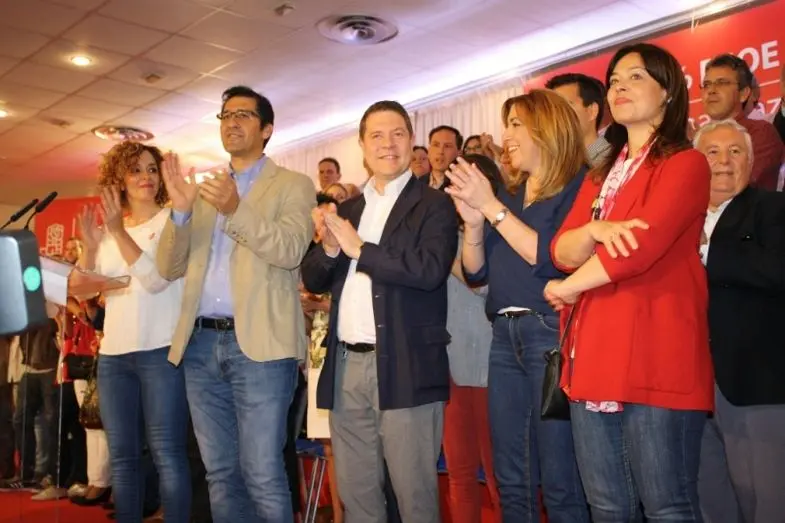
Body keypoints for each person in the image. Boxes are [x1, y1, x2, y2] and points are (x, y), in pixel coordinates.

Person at [546, 43, 714, 521]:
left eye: (635, 77)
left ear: (668, 91)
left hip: (655, 352)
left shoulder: (685, 163)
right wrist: (595, 231)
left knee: (667, 507)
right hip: (594, 357)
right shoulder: (601, 174)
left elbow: (639, 247)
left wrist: (571, 286)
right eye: (614, 80)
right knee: (606, 507)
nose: (619, 87)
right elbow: (561, 250)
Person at [156, 85, 315, 523]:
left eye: (243, 114)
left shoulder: (294, 185)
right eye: (226, 115)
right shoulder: (203, 192)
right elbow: (169, 267)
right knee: (221, 474)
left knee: (262, 472)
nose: (232, 122)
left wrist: (235, 208)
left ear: (267, 129)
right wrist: (180, 213)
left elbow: (289, 250)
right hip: (200, 345)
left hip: (261, 348)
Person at [301, 100, 458, 523]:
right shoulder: (349, 209)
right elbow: (313, 278)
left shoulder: (434, 204)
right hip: (346, 366)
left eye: (397, 134)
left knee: (414, 497)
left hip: (406, 363)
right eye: (377, 136)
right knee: (357, 495)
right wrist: (330, 247)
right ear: (362, 146)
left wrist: (361, 250)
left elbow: (429, 270)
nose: (388, 144)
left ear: (411, 140)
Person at [446, 90, 589, 523]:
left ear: (546, 129)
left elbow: (550, 256)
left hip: (550, 334)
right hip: (503, 338)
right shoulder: (511, 195)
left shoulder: (579, 186)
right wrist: (474, 223)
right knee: (511, 478)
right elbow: (476, 272)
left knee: (560, 479)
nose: (505, 136)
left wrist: (489, 207)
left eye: (515, 124)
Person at [78, 140, 191, 523]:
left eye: (152, 169)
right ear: (119, 180)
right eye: (136, 170)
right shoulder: (111, 231)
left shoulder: (173, 220)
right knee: (123, 457)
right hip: (114, 356)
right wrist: (90, 247)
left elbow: (157, 280)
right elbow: (87, 291)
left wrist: (118, 233)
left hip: (161, 351)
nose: (146, 177)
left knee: (167, 453)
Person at [694, 119, 785, 523]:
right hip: (689, 385)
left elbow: (777, 269)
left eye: (736, 152)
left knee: (766, 503)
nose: (724, 161)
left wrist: (705, 252)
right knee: (709, 502)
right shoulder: (679, 219)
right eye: (712, 152)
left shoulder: (773, 209)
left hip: (755, 384)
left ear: (751, 162)